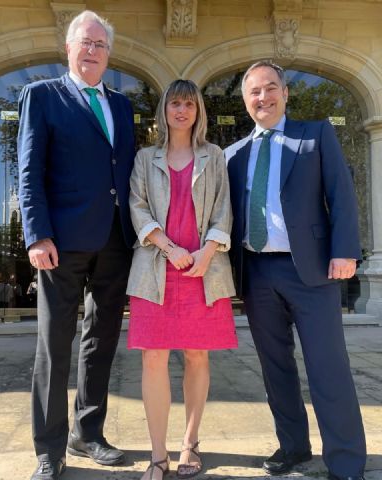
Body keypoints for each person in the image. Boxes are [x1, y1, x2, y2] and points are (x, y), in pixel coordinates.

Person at [225, 60, 366, 480]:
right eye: (254, 91)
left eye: (271, 88)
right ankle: (293, 447)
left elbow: (342, 195)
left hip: (312, 272)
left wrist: (345, 252)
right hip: (256, 273)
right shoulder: (234, 155)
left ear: (285, 93)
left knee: (328, 367)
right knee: (275, 368)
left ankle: (345, 462)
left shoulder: (316, 134)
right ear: (246, 100)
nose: (263, 97)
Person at [17, 10, 136, 480]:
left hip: (115, 239)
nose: (92, 50)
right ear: (68, 48)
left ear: (109, 53)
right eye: (84, 42)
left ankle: (88, 434)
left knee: (101, 339)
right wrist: (36, 234)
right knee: (54, 342)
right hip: (60, 242)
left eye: (100, 45)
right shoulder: (41, 96)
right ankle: (49, 449)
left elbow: (123, 172)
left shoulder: (123, 105)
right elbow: (29, 171)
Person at [127, 79, 237, 480]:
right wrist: (169, 248)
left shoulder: (215, 156)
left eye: (189, 104)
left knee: (196, 355)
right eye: (175, 103)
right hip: (156, 268)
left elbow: (224, 209)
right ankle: (158, 454)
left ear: (198, 111)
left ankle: (190, 442)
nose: (181, 110)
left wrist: (206, 253)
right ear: (165, 110)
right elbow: (136, 207)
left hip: (203, 272)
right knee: (153, 358)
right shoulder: (144, 158)